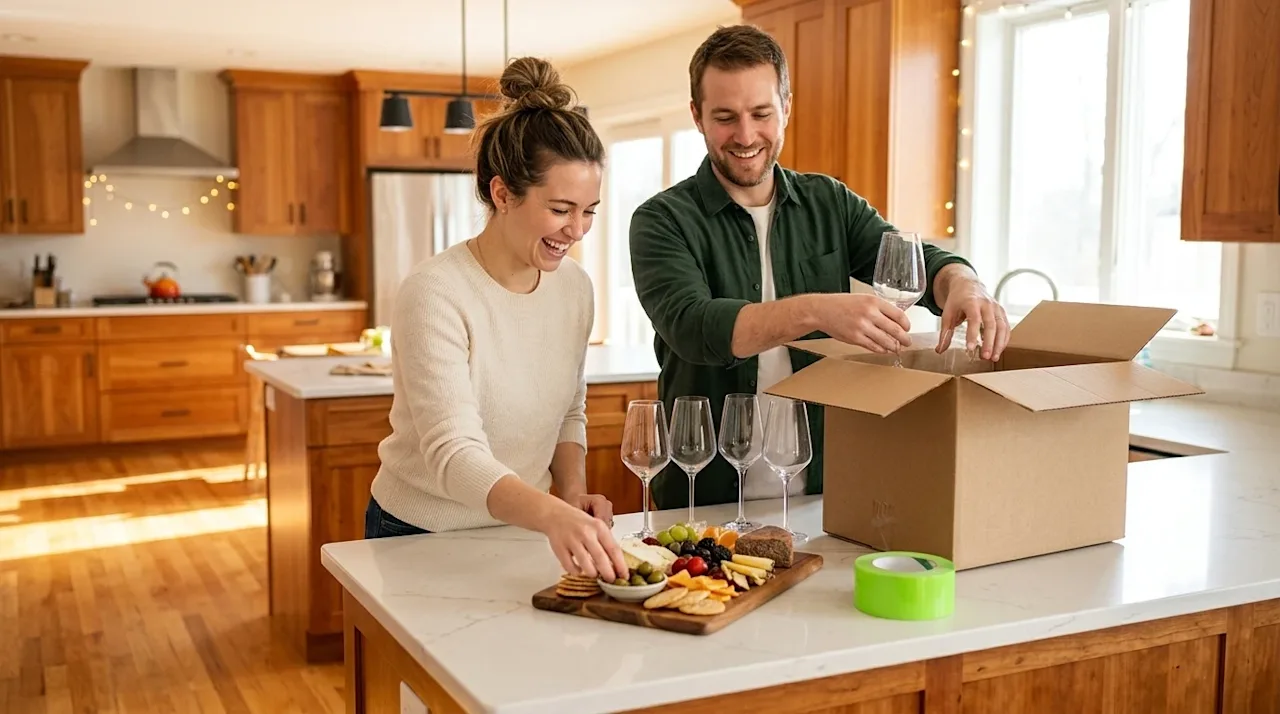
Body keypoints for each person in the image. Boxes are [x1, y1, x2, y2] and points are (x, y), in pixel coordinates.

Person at [629, 25, 1010, 512]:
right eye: (725, 117)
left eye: (761, 114)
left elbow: (916, 262)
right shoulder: (661, 219)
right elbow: (694, 327)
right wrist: (815, 311)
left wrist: (964, 283)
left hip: (826, 493)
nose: (745, 136)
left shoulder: (829, 202)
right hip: (705, 497)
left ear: (787, 107)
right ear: (697, 117)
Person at [365, 56, 628, 583]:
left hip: (520, 528)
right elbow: (451, 452)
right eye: (560, 209)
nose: (577, 229)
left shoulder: (574, 288)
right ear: (503, 193)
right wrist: (552, 512)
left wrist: (570, 494)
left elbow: (568, 411)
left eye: (590, 210)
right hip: (419, 535)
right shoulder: (436, 292)